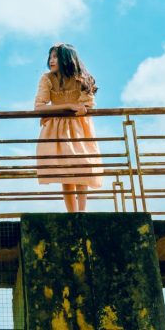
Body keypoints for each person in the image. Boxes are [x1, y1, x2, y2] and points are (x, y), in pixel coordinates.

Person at [34, 43, 103, 213]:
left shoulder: (83, 78)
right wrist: (69, 106)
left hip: (79, 128)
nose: (51, 60)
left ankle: (82, 211)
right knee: (65, 171)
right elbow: (39, 106)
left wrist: (75, 107)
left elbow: (87, 106)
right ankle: (72, 213)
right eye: (50, 57)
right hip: (57, 129)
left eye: (56, 56)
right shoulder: (47, 78)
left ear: (67, 59)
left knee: (82, 167)